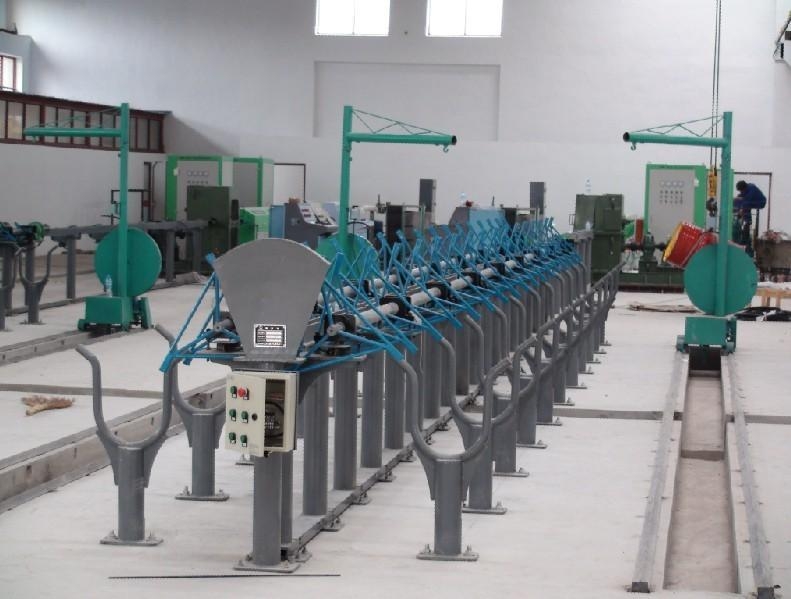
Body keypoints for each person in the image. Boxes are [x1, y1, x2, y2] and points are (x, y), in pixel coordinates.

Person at [733, 180, 766, 256]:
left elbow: (747, 200)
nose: (741, 192)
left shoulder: (752, 189)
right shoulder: (746, 188)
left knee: (745, 204)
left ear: (744, 188)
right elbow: (742, 195)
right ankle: (741, 217)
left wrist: (741, 209)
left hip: (760, 202)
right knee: (738, 201)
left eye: (741, 190)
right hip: (752, 201)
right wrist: (737, 197)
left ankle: (747, 221)